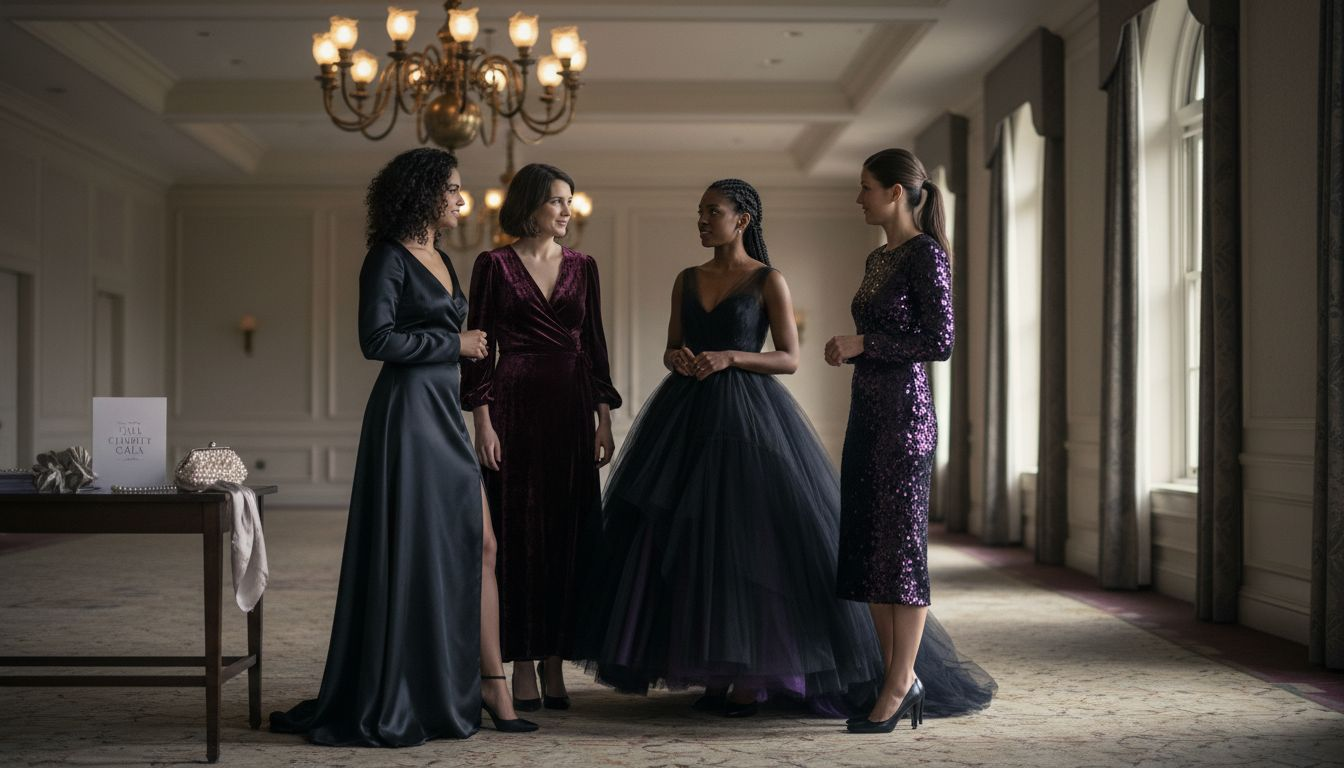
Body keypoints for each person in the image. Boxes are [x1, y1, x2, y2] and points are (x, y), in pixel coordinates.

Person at [575, 178, 884, 717]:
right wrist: (680, 360)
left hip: (746, 419)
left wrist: (730, 357)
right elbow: (672, 346)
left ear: (741, 220)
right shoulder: (686, 278)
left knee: (746, 542)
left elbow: (789, 357)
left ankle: (751, 675)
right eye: (698, 212)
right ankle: (710, 667)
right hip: (686, 415)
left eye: (710, 212)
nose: (700, 220)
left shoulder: (769, 280)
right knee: (685, 540)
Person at [269, 147, 536, 746]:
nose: (461, 201)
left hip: (445, 411)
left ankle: (486, 682)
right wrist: (455, 345)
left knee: (481, 543)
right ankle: (454, 686)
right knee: (424, 548)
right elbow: (377, 339)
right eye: (453, 190)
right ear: (422, 193)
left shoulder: (442, 256)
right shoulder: (386, 258)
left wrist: (471, 367)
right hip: (408, 416)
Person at [825, 147, 986, 733]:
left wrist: (864, 344)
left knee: (900, 551)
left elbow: (940, 341)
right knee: (869, 546)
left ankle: (898, 683)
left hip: (905, 420)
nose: (859, 197)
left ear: (896, 192)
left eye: (866, 187)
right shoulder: (878, 258)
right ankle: (895, 673)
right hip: (867, 414)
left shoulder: (926, 255)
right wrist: (854, 347)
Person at [461, 163, 621, 711]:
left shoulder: (585, 266)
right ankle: (523, 662)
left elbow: (595, 343)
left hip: (572, 409)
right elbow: (480, 348)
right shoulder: (494, 265)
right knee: (517, 533)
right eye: (557, 201)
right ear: (530, 206)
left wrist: (603, 417)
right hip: (513, 408)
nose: (566, 210)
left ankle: (556, 659)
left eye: (569, 201)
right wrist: (482, 422)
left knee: (568, 532)